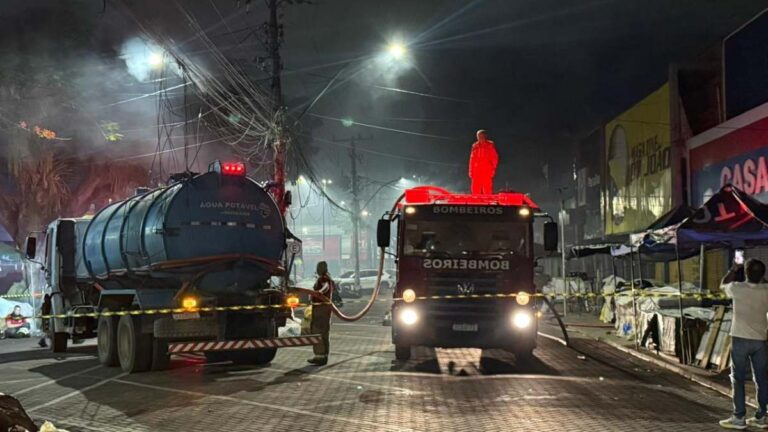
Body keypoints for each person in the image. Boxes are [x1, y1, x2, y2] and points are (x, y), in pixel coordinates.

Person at [719, 258, 768, 430]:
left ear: (745, 273)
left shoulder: (736, 288)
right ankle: (763, 416)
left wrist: (733, 269)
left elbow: (722, 285)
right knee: (762, 379)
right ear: (762, 274)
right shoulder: (766, 290)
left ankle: (739, 417)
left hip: (739, 338)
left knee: (738, 378)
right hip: (761, 340)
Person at [308, 261, 334, 365]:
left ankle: (319, 356)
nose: (317, 269)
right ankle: (323, 356)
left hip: (321, 309)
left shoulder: (324, 278)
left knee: (318, 331)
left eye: (318, 267)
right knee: (324, 332)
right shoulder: (328, 277)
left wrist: (319, 293)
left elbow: (325, 287)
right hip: (324, 308)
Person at [468, 129, 498, 195]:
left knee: (487, 188)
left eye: (481, 136)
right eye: (478, 136)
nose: (480, 138)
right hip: (477, 170)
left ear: (485, 136)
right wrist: (470, 170)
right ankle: (476, 202)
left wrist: (493, 169)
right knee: (475, 187)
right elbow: (472, 159)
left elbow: (494, 158)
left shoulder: (490, 145)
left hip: (487, 169)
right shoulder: (475, 146)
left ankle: (488, 203)